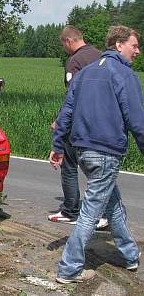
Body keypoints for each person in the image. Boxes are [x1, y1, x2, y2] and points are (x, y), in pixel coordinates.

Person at [49, 25, 143, 284]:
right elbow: (137, 121)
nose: (137, 51)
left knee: (111, 203)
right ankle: (68, 268)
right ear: (119, 45)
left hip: (82, 151)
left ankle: (129, 254)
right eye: (134, 45)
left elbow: (65, 113)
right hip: (105, 152)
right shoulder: (124, 75)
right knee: (90, 212)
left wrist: (58, 146)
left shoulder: (85, 73)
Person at [48, 26, 107, 229]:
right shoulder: (100, 56)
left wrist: (60, 121)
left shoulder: (74, 61)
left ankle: (70, 210)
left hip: (81, 123)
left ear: (68, 41)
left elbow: (72, 96)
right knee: (100, 169)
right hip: (104, 122)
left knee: (69, 164)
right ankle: (104, 214)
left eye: (63, 45)